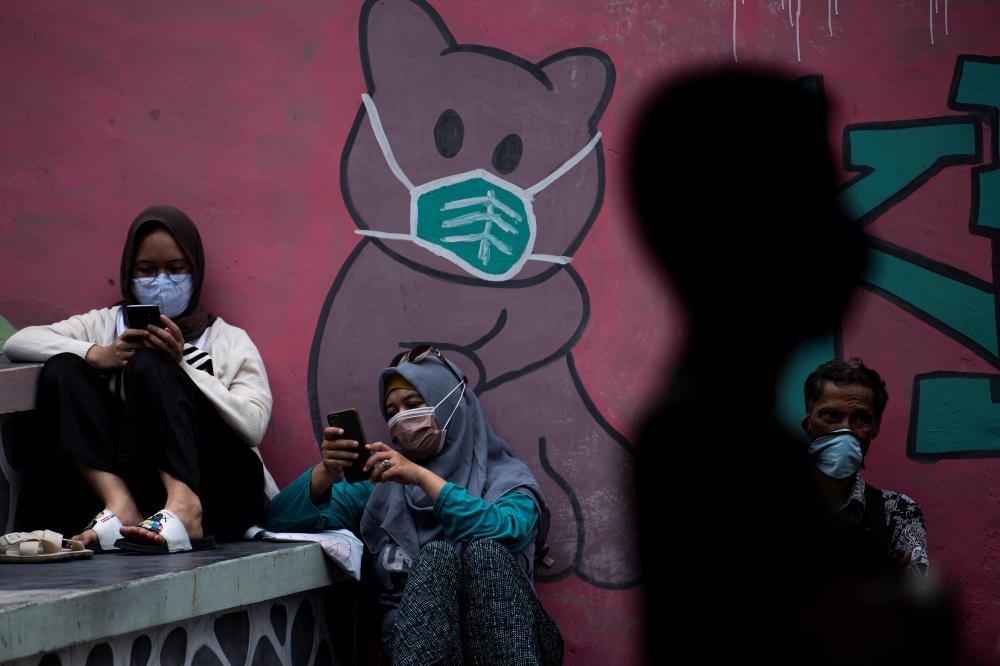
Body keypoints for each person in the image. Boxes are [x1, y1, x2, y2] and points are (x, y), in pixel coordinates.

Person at [631, 72, 956, 662]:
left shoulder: (730, 427)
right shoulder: (706, 444)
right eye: (818, 201)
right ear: (743, 228)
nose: (846, 239)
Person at [263, 345, 562, 666]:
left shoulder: (507, 480)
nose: (400, 418)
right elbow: (278, 520)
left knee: (484, 553)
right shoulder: (381, 488)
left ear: (449, 403)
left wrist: (422, 478)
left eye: (414, 404)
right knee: (435, 559)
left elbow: (507, 532)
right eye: (392, 411)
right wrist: (326, 470)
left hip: (505, 648)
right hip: (414, 652)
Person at [4, 205, 277, 554]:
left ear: (196, 271)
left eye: (176, 269)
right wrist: (98, 354)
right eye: (147, 270)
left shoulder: (227, 340)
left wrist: (181, 367)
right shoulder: (105, 325)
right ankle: (119, 505)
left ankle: (185, 505)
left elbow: (253, 426)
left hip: (220, 495)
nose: (161, 281)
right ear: (128, 272)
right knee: (63, 367)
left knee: (150, 363)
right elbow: (19, 342)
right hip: (144, 499)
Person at [802, 358, 928, 574]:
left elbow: (913, 597)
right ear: (808, 423)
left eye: (860, 418)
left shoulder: (899, 512)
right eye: (831, 415)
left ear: (875, 427)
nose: (846, 431)